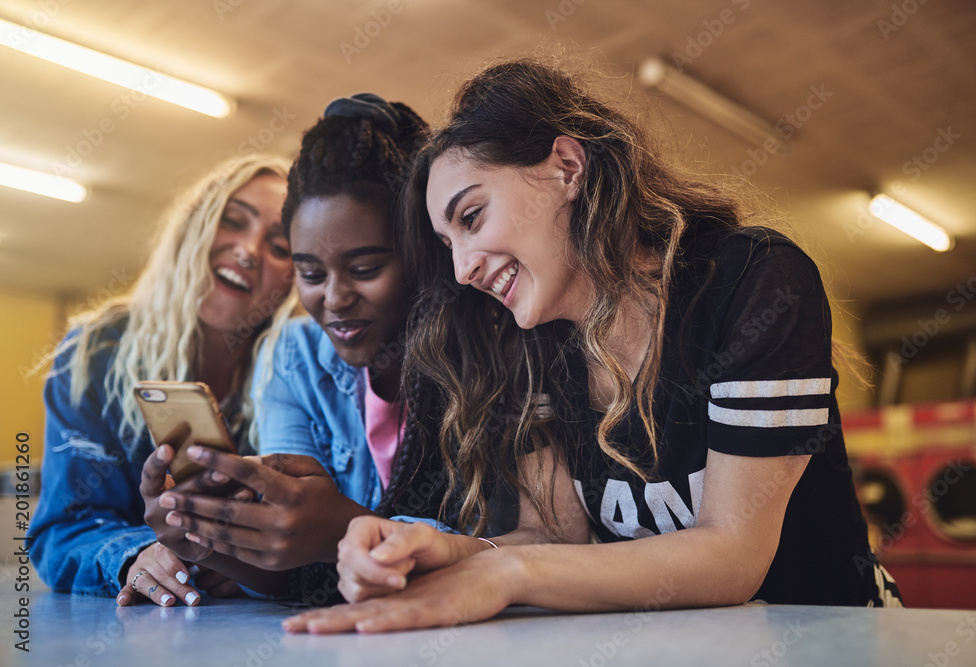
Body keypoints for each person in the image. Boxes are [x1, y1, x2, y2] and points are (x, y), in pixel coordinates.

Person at [282, 58, 903, 635]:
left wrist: (507, 574)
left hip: (827, 641)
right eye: (447, 246)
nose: (464, 268)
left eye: (470, 218)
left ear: (567, 168)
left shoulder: (751, 283)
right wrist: (446, 551)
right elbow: (557, 539)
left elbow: (733, 553)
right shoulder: (531, 340)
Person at [138, 94, 468, 602]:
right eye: (310, 274)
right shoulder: (293, 357)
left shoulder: (482, 355)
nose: (334, 299)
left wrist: (344, 528)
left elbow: (510, 548)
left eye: (365, 269)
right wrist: (208, 536)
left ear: (423, 251)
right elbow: (288, 566)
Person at [28, 155, 296, 606]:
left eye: (281, 245)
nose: (249, 250)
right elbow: (63, 527)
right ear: (193, 230)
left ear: (296, 278)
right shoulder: (94, 354)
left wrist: (251, 564)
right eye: (232, 221)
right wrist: (135, 555)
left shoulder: (300, 375)